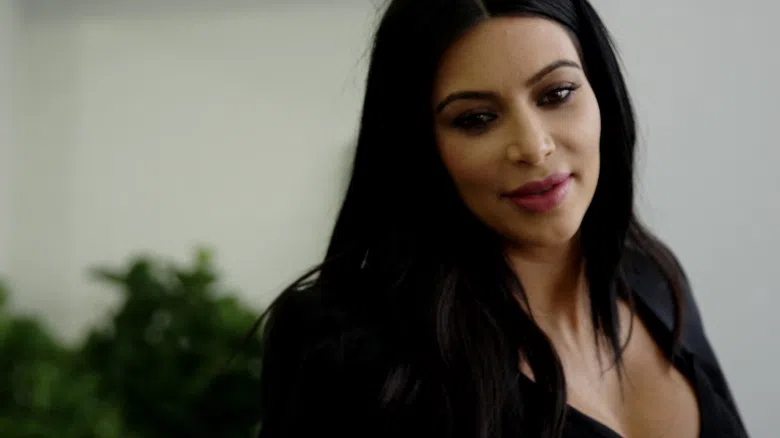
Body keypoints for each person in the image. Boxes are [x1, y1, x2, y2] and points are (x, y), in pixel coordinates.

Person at [254, 1, 747, 437]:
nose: (533, 147)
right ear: (419, 145)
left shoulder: (654, 278)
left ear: (601, 92)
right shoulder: (348, 349)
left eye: (557, 94)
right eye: (476, 119)